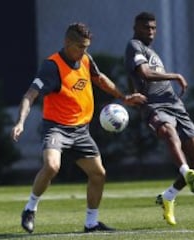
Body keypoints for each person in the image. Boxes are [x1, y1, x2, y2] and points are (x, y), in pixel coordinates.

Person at [11, 22, 146, 233]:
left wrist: (124, 97)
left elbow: (99, 79)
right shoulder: (51, 66)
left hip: (81, 131)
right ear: (67, 43)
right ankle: (30, 208)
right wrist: (20, 122)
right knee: (52, 166)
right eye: (80, 47)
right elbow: (30, 95)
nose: (84, 51)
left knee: (98, 174)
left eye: (86, 47)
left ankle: (91, 223)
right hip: (57, 128)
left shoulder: (85, 59)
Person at [124, 12, 194, 225]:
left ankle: (168, 196)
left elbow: (131, 76)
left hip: (174, 104)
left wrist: (131, 90)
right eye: (146, 28)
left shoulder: (151, 51)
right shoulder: (134, 45)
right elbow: (143, 73)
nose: (151, 32)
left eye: (153, 28)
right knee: (167, 131)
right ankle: (184, 171)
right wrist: (175, 75)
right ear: (136, 28)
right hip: (154, 104)